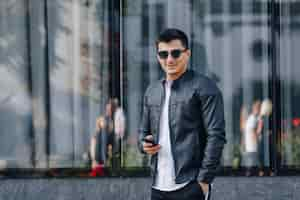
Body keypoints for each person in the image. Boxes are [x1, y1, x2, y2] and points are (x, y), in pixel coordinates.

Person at [138, 28, 226, 200]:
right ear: (158, 57)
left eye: (175, 53)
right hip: (158, 187)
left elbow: (216, 136)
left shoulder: (205, 87)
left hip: (190, 185)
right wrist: (144, 144)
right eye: (163, 54)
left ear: (187, 54)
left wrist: (203, 181)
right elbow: (142, 133)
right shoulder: (152, 91)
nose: (169, 59)